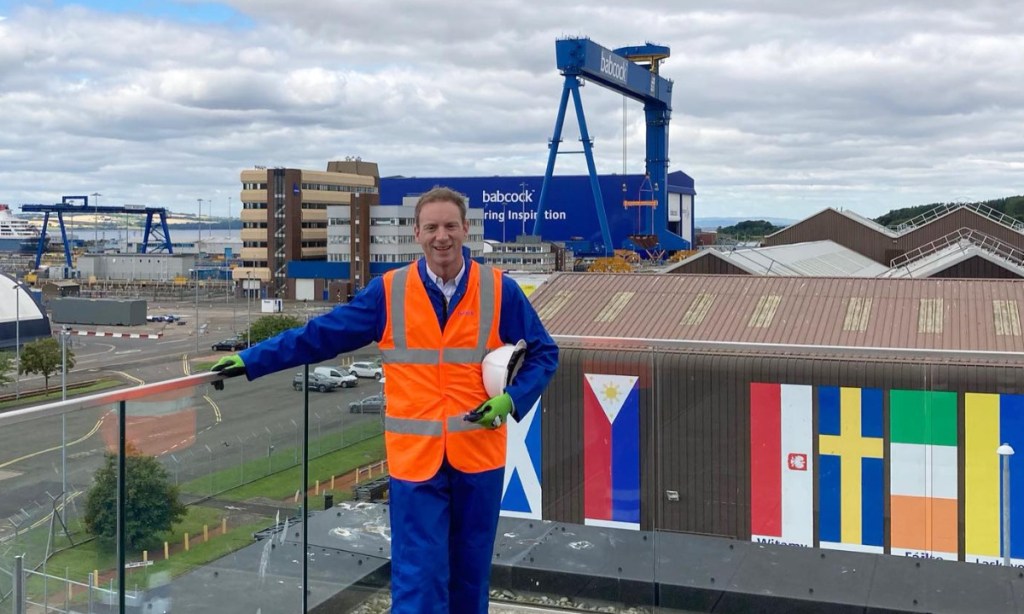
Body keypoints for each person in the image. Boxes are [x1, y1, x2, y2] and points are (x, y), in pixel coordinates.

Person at [212, 186, 558, 614]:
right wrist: (251, 359)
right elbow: (320, 336)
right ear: (417, 233)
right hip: (416, 462)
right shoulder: (389, 292)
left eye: (451, 226)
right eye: (431, 227)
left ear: (466, 229)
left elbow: (545, 353)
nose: (442, 236)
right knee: (418, 578)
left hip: (479, 457)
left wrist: (511, 400)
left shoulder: (499, 289)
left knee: (470, 578)